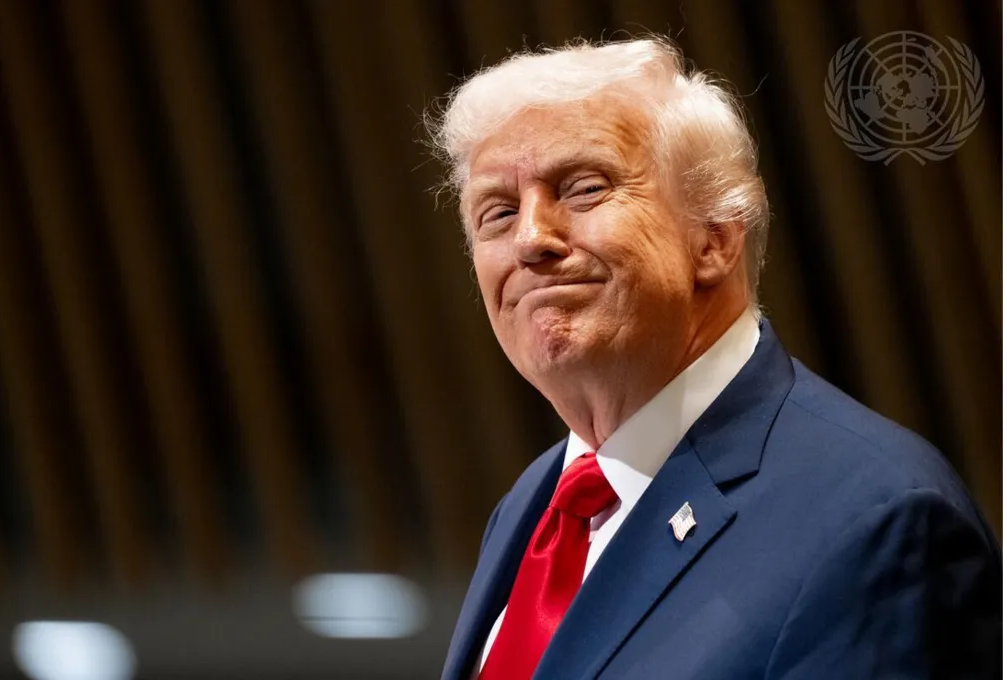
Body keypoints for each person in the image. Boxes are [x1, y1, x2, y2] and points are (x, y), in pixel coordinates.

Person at [427, 37, 1000, 680]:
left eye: (584, 189)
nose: (531, 239)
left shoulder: (878, 519)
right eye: (499, 213)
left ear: (714, 240)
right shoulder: (531, 507)